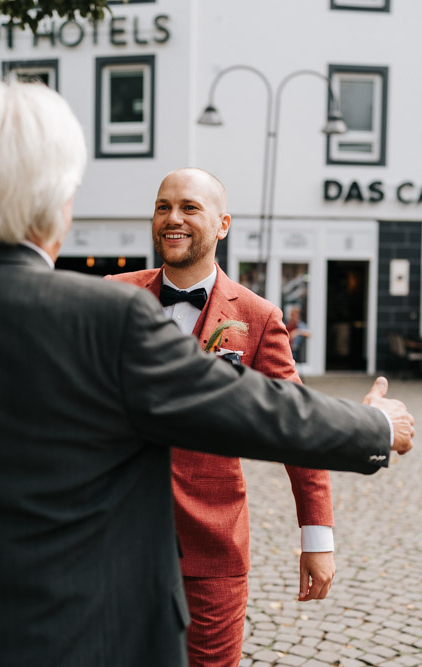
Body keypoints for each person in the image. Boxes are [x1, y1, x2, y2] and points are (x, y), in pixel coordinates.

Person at [0, 80, 415, 667]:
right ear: (58, 202)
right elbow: (259, 411)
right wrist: (374, 425)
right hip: (68, 636)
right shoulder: (109, 314)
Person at [109, 168, 331, 666]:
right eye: (164, 206)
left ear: (222, 224)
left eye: (190, 207)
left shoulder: (256, 317)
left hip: (210, 550)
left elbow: (297, 428)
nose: (174, 218)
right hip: (114, 542)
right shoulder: (111, 298)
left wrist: (316, 538)